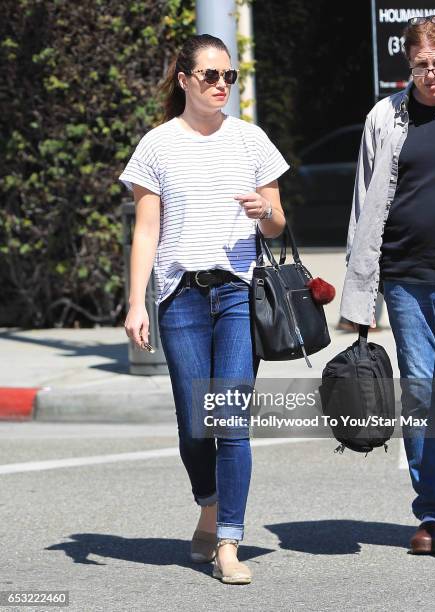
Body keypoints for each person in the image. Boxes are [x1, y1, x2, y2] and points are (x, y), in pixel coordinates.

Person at [119, 34, 289, 583]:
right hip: (180, 297)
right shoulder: (157, 145)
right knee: (197, 426)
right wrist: (136, 303)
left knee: (231, 422)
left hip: (238, 292)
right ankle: (209, 507)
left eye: (228, 78)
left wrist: (265, 209)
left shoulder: (251, 141)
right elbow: (146, 229)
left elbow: (278, 223)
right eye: (211, 76)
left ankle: (230, 543)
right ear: (185, 80)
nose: (221, 86)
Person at [340, 16, 435, 555]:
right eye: (422, 64)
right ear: (409, 65)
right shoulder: (386, 117)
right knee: (423, 394)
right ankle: (433, 513)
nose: (432, 75)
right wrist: (360, 296)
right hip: (406, 278)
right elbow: (363, 204)